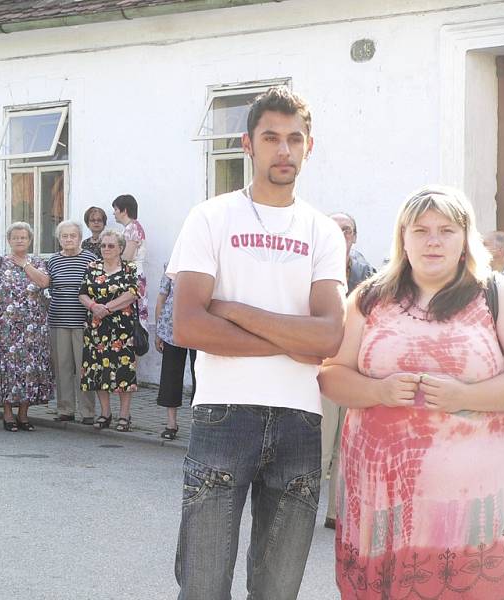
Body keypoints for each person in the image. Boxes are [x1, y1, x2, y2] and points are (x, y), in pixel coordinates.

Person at [319, 185, 504, 600]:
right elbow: (330, 375)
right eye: (421, 229)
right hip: (385, 505)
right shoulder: (370, 299)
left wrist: (465, 397)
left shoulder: (498, 294)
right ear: (403, 238)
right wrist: (378, 389)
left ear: (465, 238)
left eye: (446, 230)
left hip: (474, 511)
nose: (433, 240)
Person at [168, 86, 347, 598]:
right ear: (248, 144)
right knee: (203, 585)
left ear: (309, 147)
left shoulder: (322, 232)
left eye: (294, 139)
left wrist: (237, 313)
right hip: (223, 414)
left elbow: (329, 336)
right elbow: (188, 326)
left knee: (278, 589)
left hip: (300, 418)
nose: (283, 150)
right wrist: (295, 339)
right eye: (271, 137)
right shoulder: (211, 217)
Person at [321, 211, 376, 529]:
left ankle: (335, 512)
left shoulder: (366, 272)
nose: (342, 235)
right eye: (335, 229)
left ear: (354, 236)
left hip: (356, 369)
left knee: (346, 446)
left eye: (347, 230)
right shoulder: (313, 267)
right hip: (324, 367)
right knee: (320, 447)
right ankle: (303, 509)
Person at [0, 222, 54, 432]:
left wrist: (24, 264)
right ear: (9, 240)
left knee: (29, 369)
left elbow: (44, 283)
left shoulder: (38, 262)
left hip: (32, 327)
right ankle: (8, 413)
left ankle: (23, 414)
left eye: (23, 237)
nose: (19, 240)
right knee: (6, 369)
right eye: (15, 237)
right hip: (2, 327)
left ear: (30, 240)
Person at [79, 229, 140, 432]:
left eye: (111, 245)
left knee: (123, 371)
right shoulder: (92, 267)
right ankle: (105, 413)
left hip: (121, 329)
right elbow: (82, 293)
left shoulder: (129, 268)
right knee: (98, 370)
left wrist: (106, 308)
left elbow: (133, 293)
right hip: (96, 327)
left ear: (120, 248)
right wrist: (93, 307)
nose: (106, 249)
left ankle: (124, 415)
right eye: (103, 245)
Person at [46, 220, 97, 424]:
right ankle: (65, 409)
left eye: (72, 235)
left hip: (83, 322)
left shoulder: (90, 259)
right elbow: (46, 287)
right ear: (59, 239)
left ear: (79, 237)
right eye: (64, 236)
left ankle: (88, 412)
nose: (68, 239)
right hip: (58, 320)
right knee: (62, 366)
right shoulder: (53, 261)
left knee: (84, 367)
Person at [154, 265, 196, 440]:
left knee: (200, 375)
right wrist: (158, 330)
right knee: (171, 374)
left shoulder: (208, 263)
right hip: (170, 328)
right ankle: (171, 423)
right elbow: (162, 297)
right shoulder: (172, 265)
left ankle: (198, 422)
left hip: (199, 329)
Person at [112, 194, 148, 326]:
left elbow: (127, 257)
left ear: (124, 210)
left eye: (116, 209)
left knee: (133, 313)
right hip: (135, 273)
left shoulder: (132, 228)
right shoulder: (134, 227)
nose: (114, 213)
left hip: (132, 274)